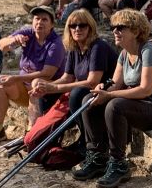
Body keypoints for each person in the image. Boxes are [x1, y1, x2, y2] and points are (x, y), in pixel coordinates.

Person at [73, 9, 152, 188]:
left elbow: (146, 89)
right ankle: (97, 155)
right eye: (114, 27)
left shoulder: (149, 50)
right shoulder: (124, 54)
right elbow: (115, 84)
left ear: (136, 31)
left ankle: (118, 163)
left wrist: (111, 94)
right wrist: (101, 89)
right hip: (143, 105)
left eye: (121, 27)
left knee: (115, 105)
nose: (115, 31)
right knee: (89, 100)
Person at [0, 5, 66, 143]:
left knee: (37, 83)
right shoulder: (28, 33)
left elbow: (47, 74)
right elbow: (1, 45)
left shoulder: (55, 44)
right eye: (37, 18)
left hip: (49, 91)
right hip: (24, 88)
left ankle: (31, 134)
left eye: (44, 19)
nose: (39, 22)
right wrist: (12, 41)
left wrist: (16, 78)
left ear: (52, 24)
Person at [30, 8, 117, 148]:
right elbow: (67, 78)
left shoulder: (98, 47)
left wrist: (55, 87)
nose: (77, 29)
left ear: (90, 27)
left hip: (105, 92)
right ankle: (49, 136)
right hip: (89, 91)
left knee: (77, 94)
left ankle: (89, 141)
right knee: (46, 93)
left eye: (82, 25)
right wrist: (46, 87)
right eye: (73, 26)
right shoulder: (73, 48)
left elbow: (92, 82)